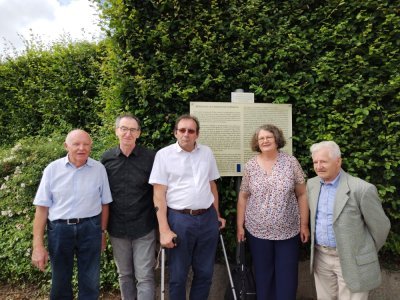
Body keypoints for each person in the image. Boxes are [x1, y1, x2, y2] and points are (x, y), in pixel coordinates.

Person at [149, 114, 226, 300]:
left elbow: (212, 185)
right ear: (175, 132)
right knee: (178, 275)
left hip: (208, 219)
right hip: (180, 220)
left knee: (205, 273)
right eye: (182, 130)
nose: (186, 134)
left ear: (197, 134)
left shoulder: (206, 153)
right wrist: (164, 229)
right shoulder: (164, 155)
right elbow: (158, 195)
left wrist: (216, 214)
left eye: (191, 131)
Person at [31, 129, 113, 300]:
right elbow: (42, 208)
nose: (81, 148)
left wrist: (102, 233)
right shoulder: (52, 170)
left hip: (91, 229)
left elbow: (105, 203)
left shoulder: (99, 169)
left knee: (91, 281)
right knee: (60, 281)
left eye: (86, 144)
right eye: (76, 144)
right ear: (66, 146)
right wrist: (38, 245)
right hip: (60, 230)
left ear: (91, 146)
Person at [307, 141, 391, 300]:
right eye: (315, 162)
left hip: (352, 259)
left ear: (338, 161)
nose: (318, 166)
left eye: (323, 161)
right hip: (321, 257)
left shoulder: (362, 189)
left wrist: (365, 251)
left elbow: (381, 227)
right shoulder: (312, 184)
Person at [236, 124, 310, 300]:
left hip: (288, 232)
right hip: (258, 232)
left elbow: (302, 193)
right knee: (263, 276)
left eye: (269, 137)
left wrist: (304, 225)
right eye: (261, 138)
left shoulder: (291, 162)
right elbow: (243, 196)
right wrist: (240, 226)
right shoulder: (251, 166)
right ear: (257, 142)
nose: (265, 140)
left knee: (287, 277)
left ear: (277, 139)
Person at [101, 113, 156, 300]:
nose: (128, 133)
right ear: (116, 131)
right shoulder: (106, 159)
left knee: (145, 277)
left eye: (133, 129)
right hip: (117, 228)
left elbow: (159, 191)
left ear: (139, 133)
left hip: (144, 227)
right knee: (124, 275)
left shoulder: (151, 158)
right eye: (124, 129)